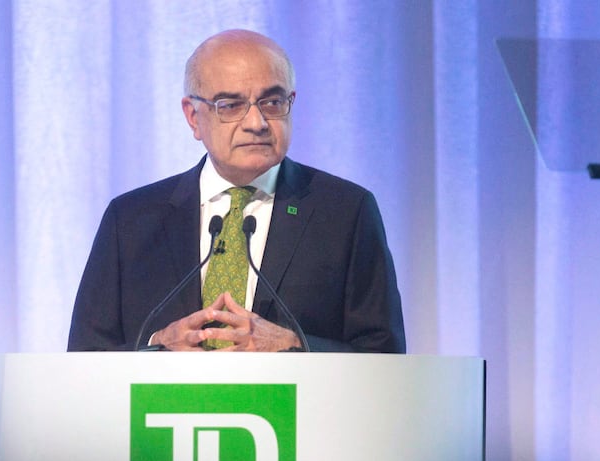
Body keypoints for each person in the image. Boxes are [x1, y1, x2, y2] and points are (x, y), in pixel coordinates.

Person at [68, 29, 405, 353]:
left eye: (272, 102)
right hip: (165, 412)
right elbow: (86, 355)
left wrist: (294, 346)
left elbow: (383, 353)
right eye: (230, 105)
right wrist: (157, 344)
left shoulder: (345, 212)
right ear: (193, 117)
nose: (256, 122)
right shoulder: (131, 220)